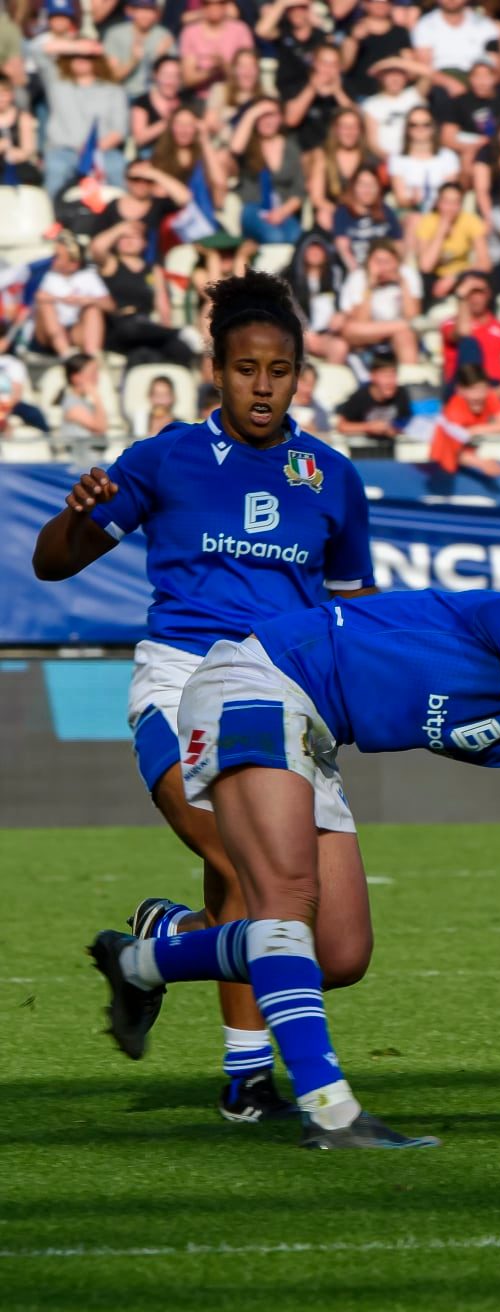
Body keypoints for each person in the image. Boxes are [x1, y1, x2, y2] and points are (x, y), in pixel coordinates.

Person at [86, 574, 500, 1148]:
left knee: (341, 952)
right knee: (287, 900)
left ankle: (141, 960)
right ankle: (332, 1113)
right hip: (256, 680)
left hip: (312, 730)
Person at [32, 272, 375, 1124]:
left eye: (281, 370)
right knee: (257, 878)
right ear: (215, 372)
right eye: (247, 368)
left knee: (338, 948)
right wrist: (78, 515)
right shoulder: (167, 457)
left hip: (290, 702)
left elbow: (353, 612)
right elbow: (51, 562)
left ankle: (154, 947)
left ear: (301, 376)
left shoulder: (331, 476)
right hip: (182, 685)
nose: (264, 385)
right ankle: (251, 1081)